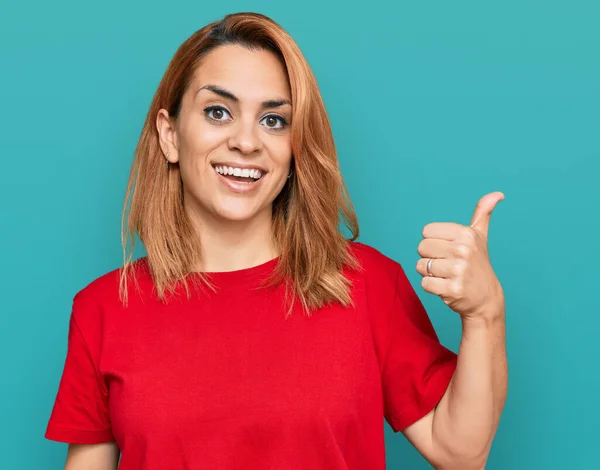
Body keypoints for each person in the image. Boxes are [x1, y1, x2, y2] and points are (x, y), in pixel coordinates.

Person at [45, 11, 507, 470]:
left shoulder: (366, 285)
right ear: (170, 136)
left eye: (273, 120)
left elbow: (460, 452)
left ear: (294, 147)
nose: (246, 141)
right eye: (218, 112)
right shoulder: (103, 309)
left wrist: (486, 314)